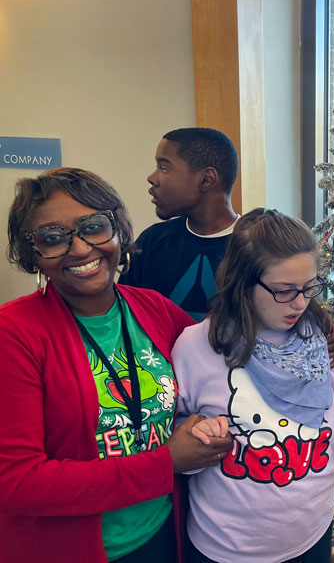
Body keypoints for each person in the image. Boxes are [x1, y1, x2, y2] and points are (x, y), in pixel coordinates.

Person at [0, 168, 232, 563]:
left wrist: (315, 328)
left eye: (93, 227)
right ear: (33, 253)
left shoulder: (154, 309)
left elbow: (230, 345)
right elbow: (16, 483)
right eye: (52, 238)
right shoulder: (13, 333)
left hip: (164, 534)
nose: (79, 249)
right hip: (71, 550)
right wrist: (165, 464)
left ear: (117, 231)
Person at [171, 208, 334, 563]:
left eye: (309, 287)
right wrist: (197, 437)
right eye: (284, 291)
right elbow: (174, 437)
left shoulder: (316, 338)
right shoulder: (195, 347)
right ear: (242, 282)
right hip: (226, 550)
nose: (300, 303)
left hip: (311, 538)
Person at [119, 127, 334, 363]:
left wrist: (330, 330)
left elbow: (294, 301)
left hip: (239, 378)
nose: (153, 177)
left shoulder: (259, 244)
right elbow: (123, 317)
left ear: (206, 179)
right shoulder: (152, 242)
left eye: (164, 167)